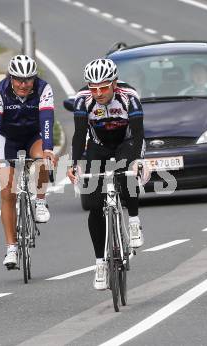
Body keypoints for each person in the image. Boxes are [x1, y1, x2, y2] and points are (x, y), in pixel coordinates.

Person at [67, 59, 146, 290]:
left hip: (127, 141)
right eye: (93, 87)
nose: (98, 93)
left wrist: (138, 161)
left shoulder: (129, 96)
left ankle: (133, 221)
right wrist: (74, 164)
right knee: (93, 203)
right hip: (99, 144)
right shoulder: (83, 100)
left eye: (103, 87)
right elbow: (80, 135)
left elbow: (140, 133)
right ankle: (100, 263)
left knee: (127, 173)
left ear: (114, 83)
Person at [0, 55, 57, 269]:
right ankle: (11, 248)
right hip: (9, 140)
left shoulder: (44, 89)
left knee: (43, 159)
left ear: (34, 79)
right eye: (18, 80)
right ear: (11, 78)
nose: (24, 85)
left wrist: (48, 148)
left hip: (34, 136)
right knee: (8, 191)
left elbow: (46, 120)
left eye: (28, 80)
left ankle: (41, 200)